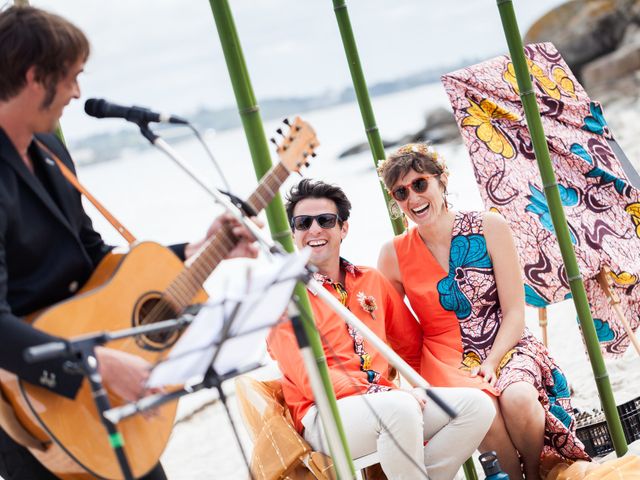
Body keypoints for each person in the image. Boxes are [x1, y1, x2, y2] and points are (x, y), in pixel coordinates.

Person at [0, 6, 258, 479]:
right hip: (33, 406)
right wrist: (93, 363)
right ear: (35, 77)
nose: (77, 92)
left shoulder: (50, 149)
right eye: (72, 77)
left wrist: (192, 253)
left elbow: (91, 256)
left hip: (100, 399)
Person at [377, 143, 590, 479]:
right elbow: (387, 326)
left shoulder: (490, 226)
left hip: (505, 340)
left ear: (441, 180)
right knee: (484, 413)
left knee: (519, 398)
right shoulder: (393, 255)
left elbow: (516, 312)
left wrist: (492, 361)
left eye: (420, 184)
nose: (413, 198)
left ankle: (533, 473)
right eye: (401, 192)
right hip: (445, 357)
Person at [267, 179, 495, 480]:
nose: (314, 230)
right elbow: (313, 381)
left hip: (389, 404)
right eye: (303, 223)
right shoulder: (285, 299)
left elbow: (411, 349)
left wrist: (432, 385)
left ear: (343, 228)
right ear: (293, 233)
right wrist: (383, 393)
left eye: (325, 220)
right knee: (399, 409)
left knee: (476, 405)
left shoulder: (371, 280)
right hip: (324, 417)